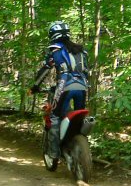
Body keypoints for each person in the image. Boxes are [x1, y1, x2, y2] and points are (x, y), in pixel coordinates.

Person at [29, 21, 89, 161]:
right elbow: (86, 71)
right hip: (82, 87)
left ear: (52, 34)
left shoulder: (55, 49)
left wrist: (35, 86)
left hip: (65, 86)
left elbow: (45, 70)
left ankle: (54, 154)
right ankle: (79, 146)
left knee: (54, 117)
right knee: (80, 118)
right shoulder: (81, 50)